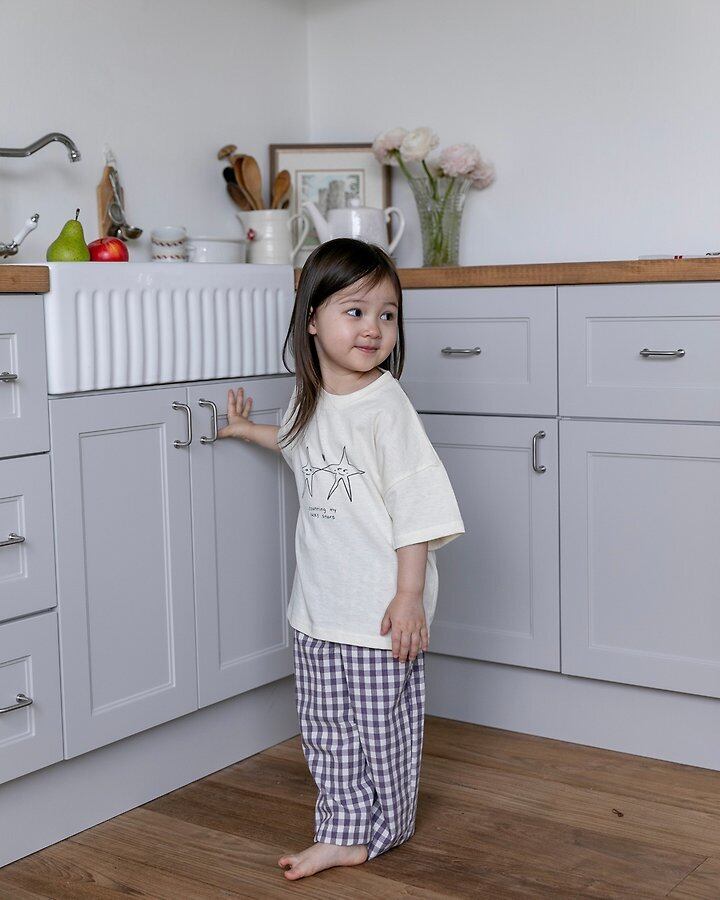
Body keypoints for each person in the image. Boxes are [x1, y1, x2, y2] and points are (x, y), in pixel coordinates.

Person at [217, 238, 465, 880]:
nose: (373, 328)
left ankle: (387, 826)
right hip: (318, 608)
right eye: (355, 311)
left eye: (387, 314)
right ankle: (343, 830)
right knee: (326, 727)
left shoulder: (387, 408)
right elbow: (300, 444)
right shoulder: (310, 398)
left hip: (380, 613)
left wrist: (408, 597)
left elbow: (418, 510)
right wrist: (247, 430)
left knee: (381, 728)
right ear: (311, 319)